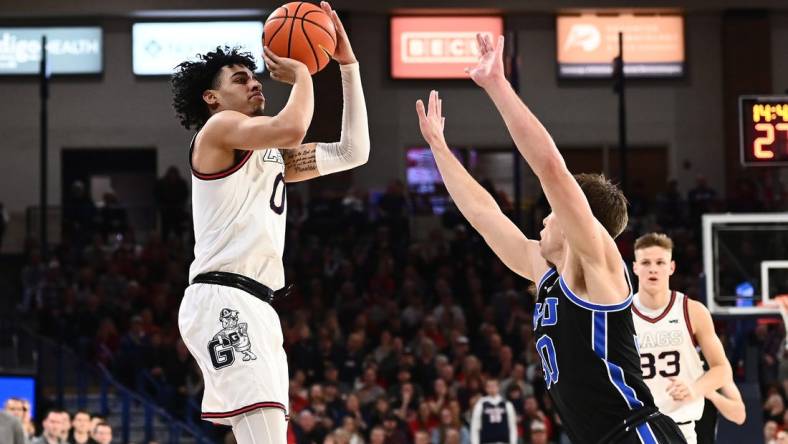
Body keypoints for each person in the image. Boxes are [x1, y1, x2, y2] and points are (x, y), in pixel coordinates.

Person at [415, 33, 685, 444]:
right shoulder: (547, 272)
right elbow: (485, 216)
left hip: (636, 433)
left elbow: (551, 169)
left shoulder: (596, 264)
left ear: (579, 219)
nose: (543, 219)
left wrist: (497, 85)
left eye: (554, 211)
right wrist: (439, 149)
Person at [170, 2, 369, 443]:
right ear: (212, 98)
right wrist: (303, 74)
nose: (254, 82)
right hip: (224, 296)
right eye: (240, 79)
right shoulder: (219, 129)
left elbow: (352, 152)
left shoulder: (267, 153)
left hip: (257, 304)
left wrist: (348, 66)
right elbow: (292, 127)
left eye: (253, 75)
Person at [630, 233, 733, 444]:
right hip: (637, 428)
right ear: (635, 267)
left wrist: (694, 389)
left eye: (660, 262)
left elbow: (722, 369)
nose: (653, 268)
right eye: (646, 262)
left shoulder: (692, 311)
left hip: (681, 428)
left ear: (671, 267)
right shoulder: (621, 314)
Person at [470, 379, 516, 444]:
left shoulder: (507, 404)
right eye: (489, 386)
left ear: (499, 387)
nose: (492, 389)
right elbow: (475, 427)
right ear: (486, 388)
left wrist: (513, 442)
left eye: (494, 386)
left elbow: (512, 427)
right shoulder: (480, 404)